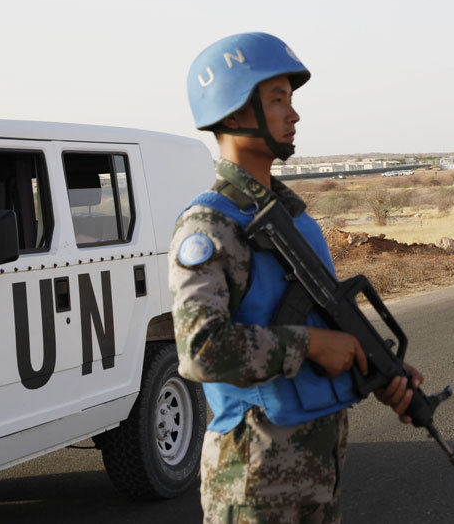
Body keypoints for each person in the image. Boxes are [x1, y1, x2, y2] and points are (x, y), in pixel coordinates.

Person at [170, 32, 421, 523]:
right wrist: (308, 345)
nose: (294, 114)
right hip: (254, 481)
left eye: (291, 99)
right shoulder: (209, 226)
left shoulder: (297, 221)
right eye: (277, 100)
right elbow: (199, 351)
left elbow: (330, 326)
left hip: (317, 471)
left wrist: (380, 372)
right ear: (235, 112)